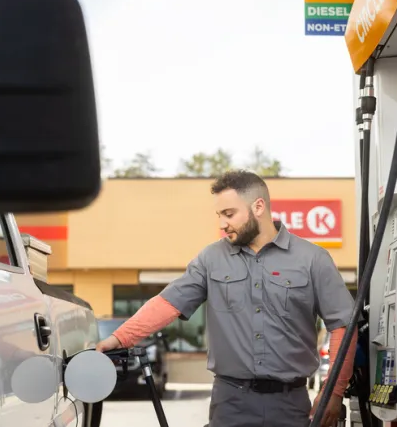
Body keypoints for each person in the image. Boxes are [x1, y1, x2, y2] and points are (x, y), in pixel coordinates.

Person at [96, 170, 357, 427]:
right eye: (219, 215)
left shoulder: (312, 259)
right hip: (231, 402)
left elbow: (343, 326)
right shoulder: (211, 259)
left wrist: (333, 392)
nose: (222, 224)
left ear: (258, 206)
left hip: (291, 404)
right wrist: (119, 338)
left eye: (229, 214)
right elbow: (168, 303)